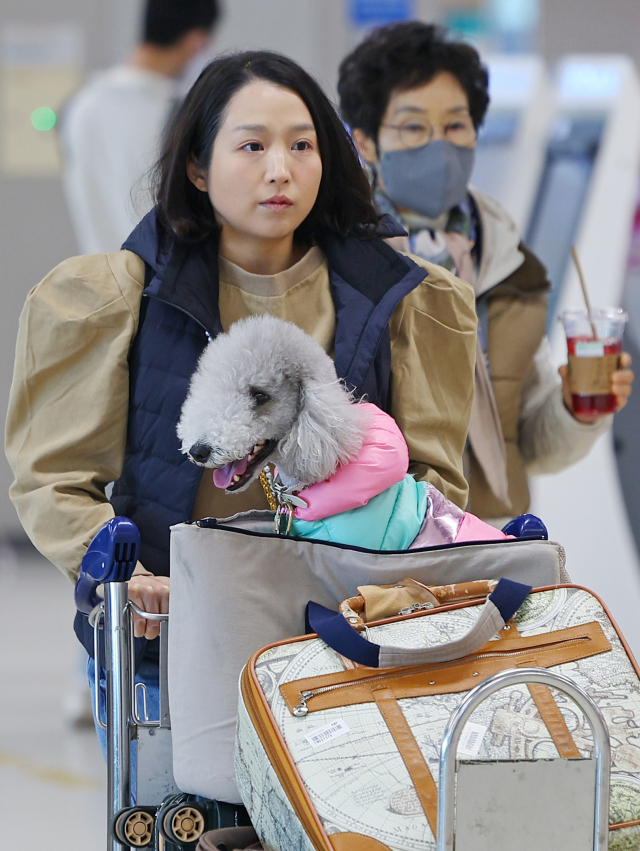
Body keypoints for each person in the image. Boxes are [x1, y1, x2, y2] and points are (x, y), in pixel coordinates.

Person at [6, 51, 477, 778]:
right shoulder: (116, 295)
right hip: (168, 648)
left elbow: (434, 480)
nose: (280, 169)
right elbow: (55, 477)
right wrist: (120, 569)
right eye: (252, 145)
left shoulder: (406, 299)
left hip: (345, 646)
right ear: (198, 166)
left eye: (302, 144)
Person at [338, 22, 635, 524]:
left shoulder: (503, 258)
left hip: (492, 539)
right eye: (413, 127)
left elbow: (526, 445)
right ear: (366, 142)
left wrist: (576, 411)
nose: (440, 145)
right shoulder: (342, 254)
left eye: (456, 126)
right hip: (378, 542)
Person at [60, 0, 220, 255]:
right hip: (163, 285)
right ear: (196, 41)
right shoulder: (181, 113)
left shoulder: (80, 106)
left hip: (99, 283)